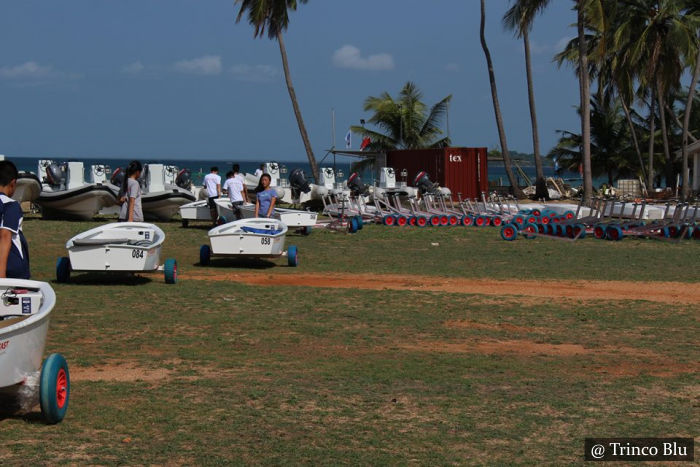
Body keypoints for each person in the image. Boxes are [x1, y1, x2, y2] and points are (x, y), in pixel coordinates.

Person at [0, 160, 30, 279]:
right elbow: (5, 235)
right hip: (12, 270)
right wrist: (1, 277)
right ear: (13, 183)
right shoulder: (10, 205)